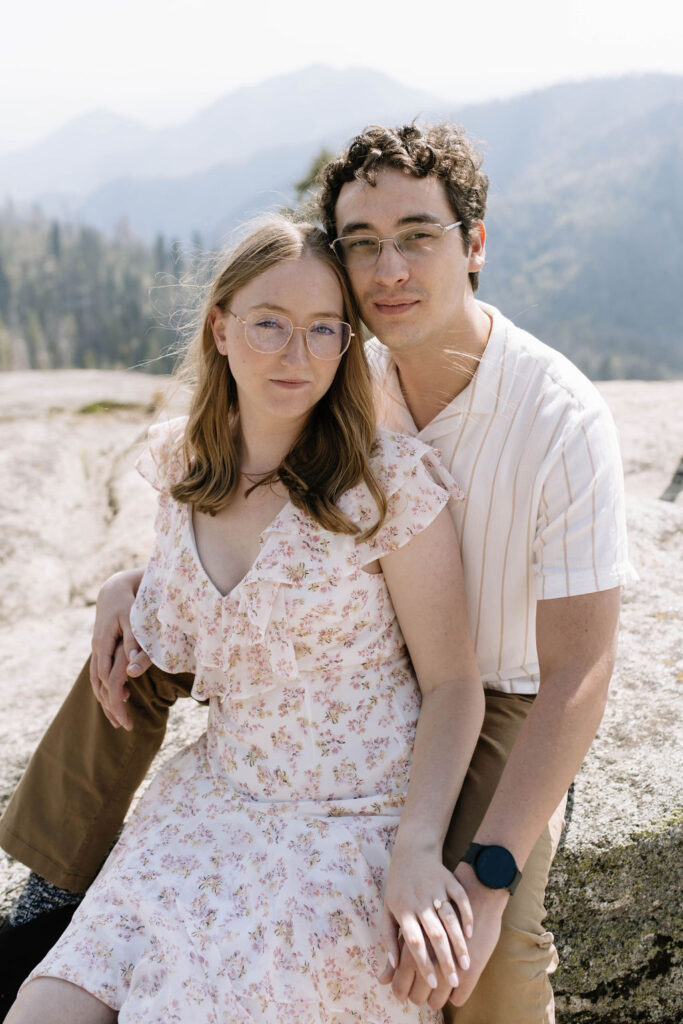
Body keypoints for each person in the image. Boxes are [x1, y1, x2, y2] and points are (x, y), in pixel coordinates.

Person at [1, 123, 637, 1022]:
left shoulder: (559, 419)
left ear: (474, 245)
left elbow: (579, 669)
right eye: (363, 245)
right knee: (130, 651)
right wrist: (134, 585)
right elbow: (244, 508)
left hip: (490, 692)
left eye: (418, 236)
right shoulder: (346, 364)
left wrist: (483, 878)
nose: (389, 270)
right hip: (333, 659)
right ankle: (53, 883)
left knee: (474, 967)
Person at [6, 215, 484, 1023]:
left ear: (346, 345)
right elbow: (202, 596)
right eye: (269, 323)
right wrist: (129, 584)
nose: (295, 355)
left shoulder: (385, 487)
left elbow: (454, 684)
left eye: (322, 330)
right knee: (43, 1009)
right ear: (220, 328)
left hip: (348, 829)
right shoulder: (178, 466)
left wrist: (416, 847)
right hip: (213, 805)